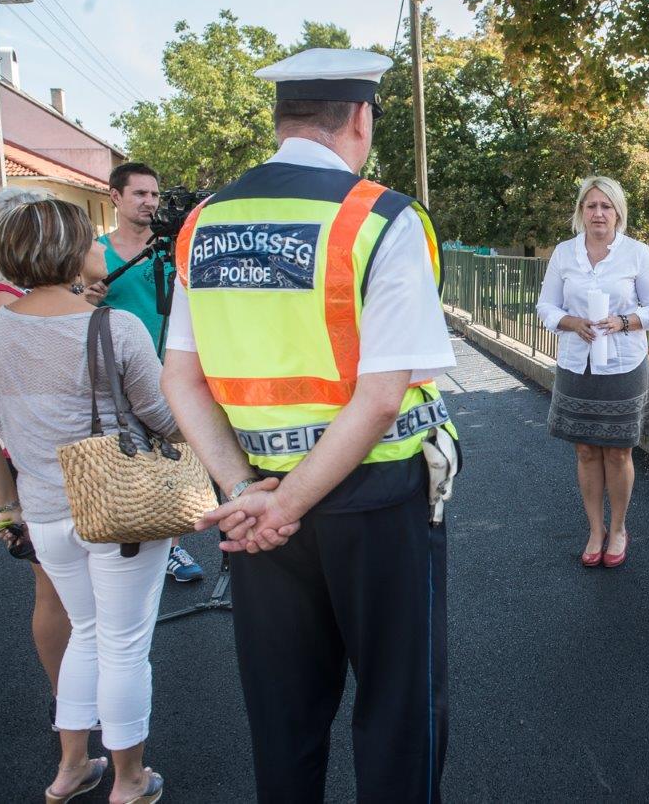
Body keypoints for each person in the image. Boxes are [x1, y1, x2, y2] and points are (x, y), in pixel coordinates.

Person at [161, 47, 458, 803]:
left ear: (281, 120)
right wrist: (287, 504)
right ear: (359, 119)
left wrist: (249, 495)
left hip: (254, 511)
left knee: (284, 716)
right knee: (399, 710)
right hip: (376, 500)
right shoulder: (381, 218)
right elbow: (382, 396)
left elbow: (181, 379)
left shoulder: (204, 221)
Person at [0, 197, 174, 804]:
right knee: (125, 643)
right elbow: (161, 417)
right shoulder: (113, 327)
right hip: (120, 509)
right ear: (66, 250)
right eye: (89, 240)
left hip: (46, 514)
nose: (97, 249)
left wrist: (8, 508)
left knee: (85, 633)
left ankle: (71, 769)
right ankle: (130, 779)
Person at [0, 188, 114, 732]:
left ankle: (77, 708)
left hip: (48, 463)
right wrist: (7, 507)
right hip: (45, 464)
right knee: (56, 592)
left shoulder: (20, 297)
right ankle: (70, 703)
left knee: (74, 595)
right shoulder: (4, 303)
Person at [535, 176, 649, 567]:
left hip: (624, 364)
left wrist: (624, 322)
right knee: (586, 449)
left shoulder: (636, 253)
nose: (598, 213)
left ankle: (620, 527)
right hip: (578, 364)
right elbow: (545, 307)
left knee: (619, 451)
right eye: (591, 206)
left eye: (606, 206)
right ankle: (595, 529)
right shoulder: (564, 253)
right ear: (581, 212)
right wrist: (570, 322)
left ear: (617, 212)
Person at [101, 161, 204, 583]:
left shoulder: (175, 248)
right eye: (140, 194)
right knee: (128, 458)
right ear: (116, 197)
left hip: (170, 369)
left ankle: (171, 548)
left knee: (175, 459)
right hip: (115, 373)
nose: (150, 202)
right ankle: (125, 540)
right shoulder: (95, 253)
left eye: (155, 195)